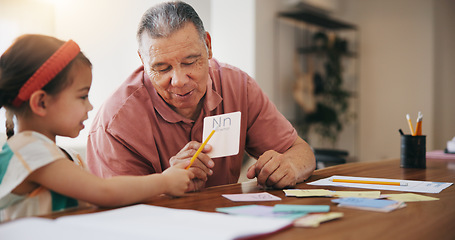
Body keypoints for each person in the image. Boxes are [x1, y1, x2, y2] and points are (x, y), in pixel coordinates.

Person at [86, 1, 315, 191]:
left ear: (208, 46)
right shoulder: (115, 124)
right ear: (143, 62)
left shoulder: (237, 86)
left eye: (190, 62)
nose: (179, 80)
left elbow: (301, 152)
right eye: (162, 68)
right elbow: (118, 217)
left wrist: (290, 166)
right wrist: (166, 184)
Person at [0, 34, 194, 222]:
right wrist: (165, 182)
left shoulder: (55, 155)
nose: (90, 106)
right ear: (41, 102)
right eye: (83, 96)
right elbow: (104, 192)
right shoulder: (28, 150)